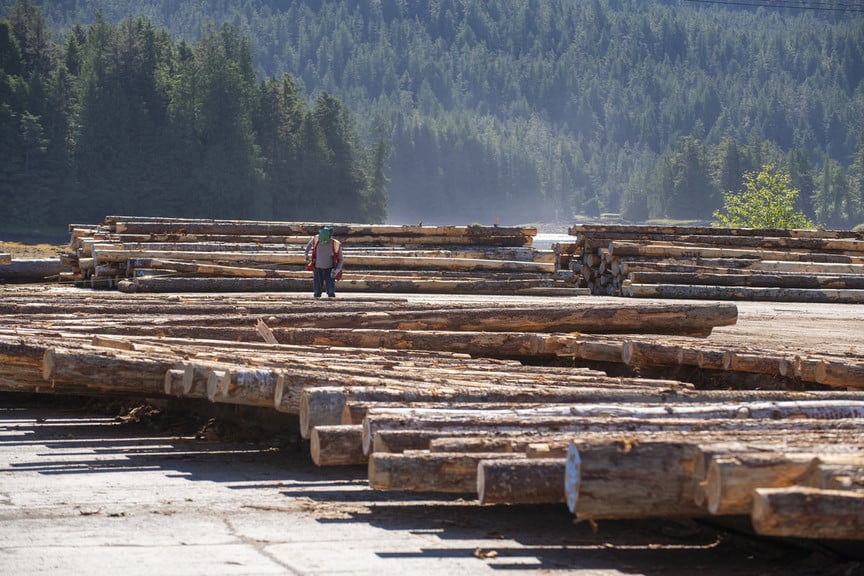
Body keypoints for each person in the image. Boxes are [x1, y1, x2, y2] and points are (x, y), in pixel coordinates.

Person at [304, 226, 344, 298]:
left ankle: (332, 306)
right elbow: (307, 248)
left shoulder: (335, 244)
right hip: (317, 269)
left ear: (329, 237)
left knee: (331, 292)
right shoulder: (315, 239)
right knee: (317, 293)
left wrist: (337, 270)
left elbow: (341, 259)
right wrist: (306, 255)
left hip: (330, 270)